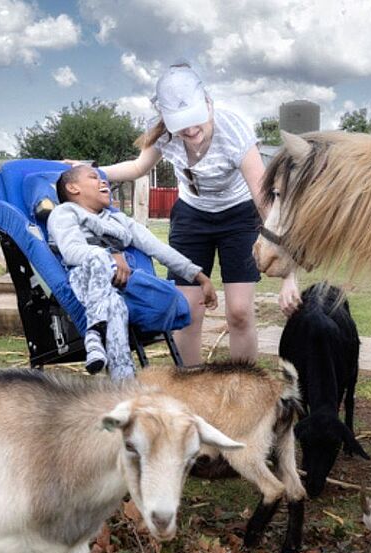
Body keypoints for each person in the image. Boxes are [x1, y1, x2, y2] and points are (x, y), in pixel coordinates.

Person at [96, 63, 301, 365]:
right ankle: (192, 386)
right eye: (181, 123)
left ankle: (243, 390)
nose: (190, 130)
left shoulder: (234, 132)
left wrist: (289, 274)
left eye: (195, 120)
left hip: (240, 216)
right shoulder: (164, 134)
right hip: (192, 217)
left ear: (207, 104)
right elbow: (138, 167)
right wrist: (92, 171)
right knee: (188, 311)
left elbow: (264, 201)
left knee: (240, 312)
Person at [48, 164, 217, 379]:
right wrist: (109, 255)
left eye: (103, 179)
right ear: (73, 188)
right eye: (93, 177)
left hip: (119, 288)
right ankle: (94, 336)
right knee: (101, 264)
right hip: (85, 278)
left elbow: (158, 248)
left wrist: (200, 277)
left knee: (117, 306)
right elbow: (71, 251)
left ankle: (122, 380)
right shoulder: (64, 212)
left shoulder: (118, 220)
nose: (103, 182)